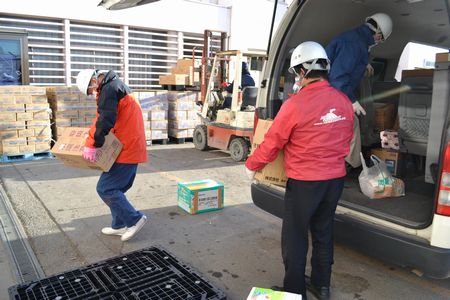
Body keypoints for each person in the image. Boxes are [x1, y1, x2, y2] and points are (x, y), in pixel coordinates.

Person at [245, 41, 354, 299]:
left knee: (295, 235)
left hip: (305, 181)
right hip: (335, 179)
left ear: (304, 71)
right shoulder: (344, 101)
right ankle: (321, 285)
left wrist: (252, 165)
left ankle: (295, 291)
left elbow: (273, 142)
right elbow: (347, 138)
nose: (296, 77)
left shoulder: (295, 104)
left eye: (296, 72)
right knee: (323, 231)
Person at [76, 69, 148, 242]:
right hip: (126, 146)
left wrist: (93, 144)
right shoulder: (114, 86)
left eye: (91, 89)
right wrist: (91, 137)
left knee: (106, 188)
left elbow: (104, 120)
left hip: (126, 148)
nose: (93, 92)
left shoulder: (109, 89)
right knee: (116, 189)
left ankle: (134, 219)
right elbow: (101, 117)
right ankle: (119, 225)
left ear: (94, 80)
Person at [325, 13, 393, 168]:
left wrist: (363, 65)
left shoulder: (357, 41)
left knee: (349, 123)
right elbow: (338, 78)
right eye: (381, 39)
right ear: (378, 34)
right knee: (352, 122)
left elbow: (346, 62)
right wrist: (353, 101)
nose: (379, 41)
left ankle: (348, 163)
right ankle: (351, 165)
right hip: (329, 93)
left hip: (331, 93)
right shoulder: (355, 44)